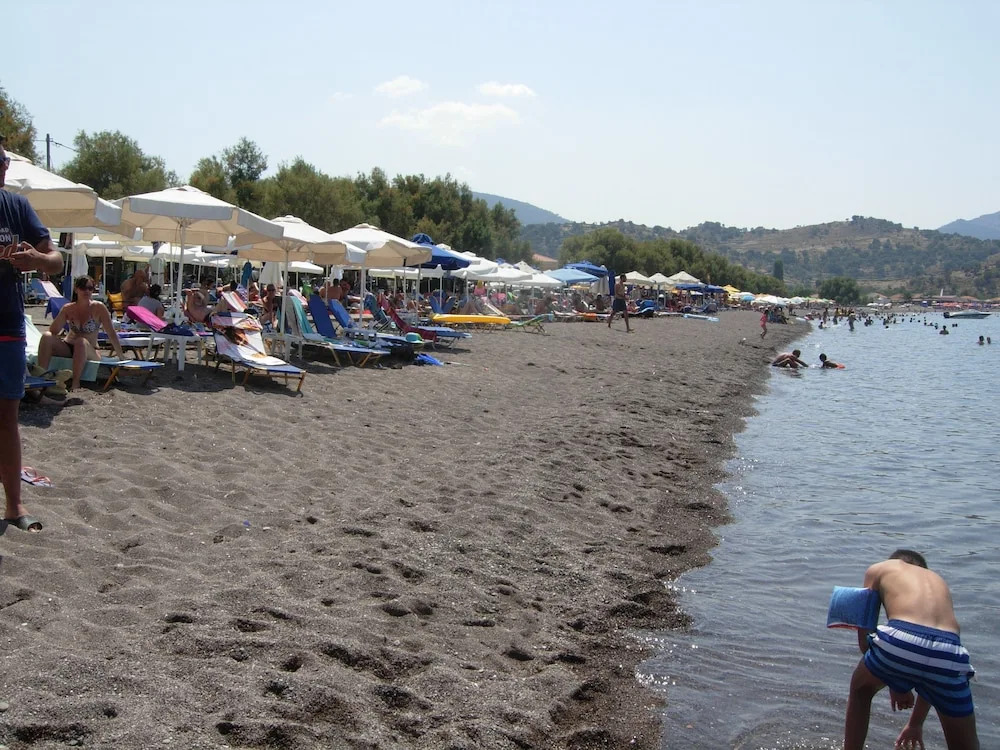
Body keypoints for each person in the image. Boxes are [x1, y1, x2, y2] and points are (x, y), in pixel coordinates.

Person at [844, 550, 978, 750]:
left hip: (900, 640)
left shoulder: (879, 569)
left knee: (860, 689)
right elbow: (929, 666)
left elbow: (865, 643)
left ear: (896, 562)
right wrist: (915, 723)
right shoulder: (938, 580)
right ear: (922, 568)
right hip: (950, 654)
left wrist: (897, 683)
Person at [1, 136, 65, 532]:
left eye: (3, 160)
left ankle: (14, 506)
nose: (2, 166)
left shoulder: (17, 206)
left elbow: (56, 262)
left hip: (8, 324)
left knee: (8, 417)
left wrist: (38, 258)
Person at [38, 276, 126, 391]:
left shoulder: (98, 307)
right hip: (69, 346)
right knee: (46, 336)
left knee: (81, 342)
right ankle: (41, 377)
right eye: (83, 288)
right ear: (76, 289)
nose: (87, 291)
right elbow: (53, 331)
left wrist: (121, 356)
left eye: (90, 288)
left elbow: (111, 333)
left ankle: (76, 383)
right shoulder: (68, 308)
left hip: (90, 350)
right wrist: (64, 316)